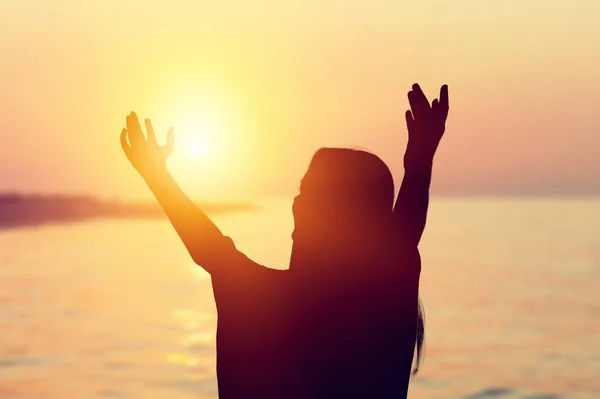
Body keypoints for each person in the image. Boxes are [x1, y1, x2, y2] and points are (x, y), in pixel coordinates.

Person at [120, 83, 449, 398]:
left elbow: (211, 248)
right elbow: (401, 242)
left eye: (308, 193)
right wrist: (418, 165)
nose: (297, 202)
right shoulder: (383, 307)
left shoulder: (261, 297)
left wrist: (157, 176)